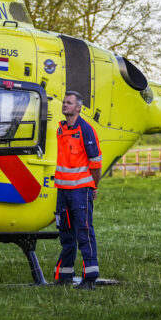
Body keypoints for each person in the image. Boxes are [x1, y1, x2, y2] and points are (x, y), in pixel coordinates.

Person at [53, 91, 103, 290]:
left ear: (78, 108)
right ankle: (65, 274)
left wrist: (94, 187)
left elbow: (96, 164)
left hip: (80, 191)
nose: (65, 105)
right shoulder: (61, 129)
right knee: (65, 232)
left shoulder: (86, 130)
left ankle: (90, 277)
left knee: (83, 232)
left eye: (69, 103)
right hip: (62, 191)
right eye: (64, 102)